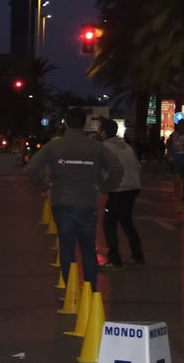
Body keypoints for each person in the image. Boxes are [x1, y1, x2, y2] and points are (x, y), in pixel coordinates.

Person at [27, 107, 122, 293]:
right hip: (87, 202)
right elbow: (117, 169)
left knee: (67, 246)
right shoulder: (95, 146)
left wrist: (44, 187)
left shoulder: (54, 145)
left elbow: (32, 169)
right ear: (85, 124)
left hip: (61, 201)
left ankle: (70, 290)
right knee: (88, 248)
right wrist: (105, 187)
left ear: (65, 123)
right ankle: (90, 288)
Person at [95, 118, 143, 271]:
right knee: (126, 222)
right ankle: (138, 256)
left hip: (119, 189)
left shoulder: (104, 147)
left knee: (109, 224)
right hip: (133, 187)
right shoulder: (126, 146)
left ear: (104, 132)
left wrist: (103, 186)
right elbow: (138, 166)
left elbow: (99, 170)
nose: (97, 132)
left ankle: (115, 261)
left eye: (99, 129)